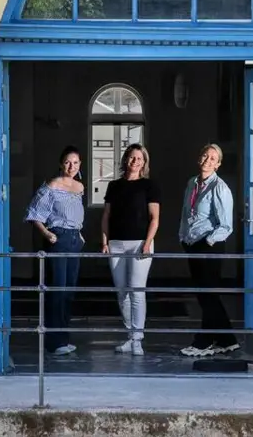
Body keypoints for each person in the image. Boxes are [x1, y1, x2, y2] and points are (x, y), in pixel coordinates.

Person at [178, 143, 239, 358]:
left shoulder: (219, 188)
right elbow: (187, 213)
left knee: (207, 295)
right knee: (205, 294)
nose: (207, 160)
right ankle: (227, 340)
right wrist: (183, 237)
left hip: (209, 246)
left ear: (218, 165)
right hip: (192, 244)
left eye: (213, 158)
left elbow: (226, 225)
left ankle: (204, 341)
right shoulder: (192, 183)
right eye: (205, 156)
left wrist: (209, 242)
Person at [25, 145, 86, 356]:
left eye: (76, 162)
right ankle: (54, 341)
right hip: (57, 237)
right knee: (56, 290)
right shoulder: (52, 185)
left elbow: (76, 214)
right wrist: (48, 234)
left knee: (69, 291)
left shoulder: (79, 187)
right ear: (61, 163)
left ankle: (64, 337)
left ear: (80, 165)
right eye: (68, 162)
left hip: (74, 240)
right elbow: (34, 214)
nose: (71, 166)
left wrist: (79, 234)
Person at [101, 143, 161, 356]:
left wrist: (147, 242)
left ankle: (138, 339)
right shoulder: (114, 186)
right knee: (121, 292)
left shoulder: (149, 186)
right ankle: (130, 335)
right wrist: (105, 241)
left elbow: (155, 218)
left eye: (140, 158)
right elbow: (106, 216)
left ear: (144, 163)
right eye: (132, 157)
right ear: (126, 159)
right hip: (116, 243)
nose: (135, 161)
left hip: (140, 244)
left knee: (137, 291)